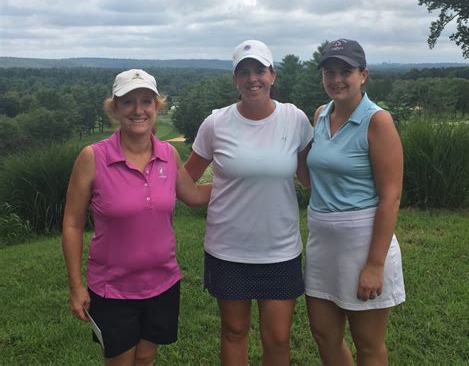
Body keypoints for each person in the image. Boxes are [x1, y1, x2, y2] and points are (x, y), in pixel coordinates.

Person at [62, 69, 211, 365]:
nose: (138, 110)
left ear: (157, 107)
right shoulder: (93, 157)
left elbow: (193, 196)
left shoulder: (168, 153)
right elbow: (72, 224)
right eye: (128, 102)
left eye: (146, 101)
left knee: (145, 358)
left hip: (163, 283)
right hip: (112, 288)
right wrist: (76, 286)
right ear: (114, 108)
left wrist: (241, 179)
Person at [184, 40, 313, 366]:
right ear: (235, 79)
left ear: (273, 75)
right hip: (228, 250)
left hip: (281, 249)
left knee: (279, 338)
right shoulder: (216, 123)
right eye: (244, 72)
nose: (252, 78)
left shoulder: (294, 119)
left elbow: (310, 176)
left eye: (259, 70)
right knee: (233, 331)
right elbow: (187, 181)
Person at [304, 39, 405, 365]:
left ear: (363, 75)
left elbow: (390, 197)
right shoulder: (320, 114)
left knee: (368, 344)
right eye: (329, 71)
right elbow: (312, 172)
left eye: (345, 71)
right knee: (324, 335)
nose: (336, 79)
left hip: (363, 245)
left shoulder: (378, 122)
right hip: (322, 241)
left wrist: (374, 265)